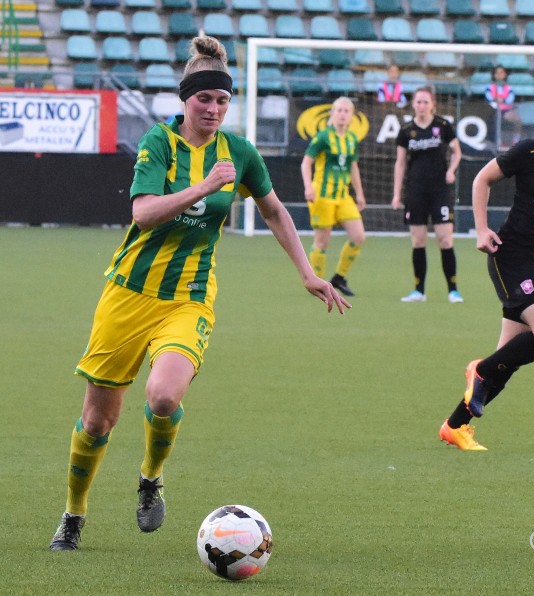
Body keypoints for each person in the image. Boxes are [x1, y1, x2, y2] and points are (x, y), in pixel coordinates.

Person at [48, 36, 350, 552]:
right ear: (185, 99)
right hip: (128, 293)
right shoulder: (158, 143)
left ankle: (150, 478)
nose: (213, 109)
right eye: (203, 99)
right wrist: (205, 187)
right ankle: (74, 514)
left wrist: (307, 272)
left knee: (164, 395)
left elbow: (275, 210)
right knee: (99, 419)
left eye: (222, 100)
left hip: (190, 295)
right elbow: (142, 213)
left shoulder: (240, 152)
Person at [439, 104, 534, 451]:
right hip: (512, 255)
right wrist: (481, 230)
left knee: (507, 359)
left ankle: (455, 426)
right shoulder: (532, 150)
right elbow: (483, 178)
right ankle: (479, 368)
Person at [392, 86, 464, 303]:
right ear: (413, 104)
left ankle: (453, 290)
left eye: (426, 102)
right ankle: (419, 290)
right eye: (418, 102)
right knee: (418, 240)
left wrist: (451, 171)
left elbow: (457, 152)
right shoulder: (406, 131)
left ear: (432, 104)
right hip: (415, 191)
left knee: (444, 239)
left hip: (440, 191)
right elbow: (400, 162)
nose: (422, 105)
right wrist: (397, 193)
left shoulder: (442, 126)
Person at [301, 96, 367, 297]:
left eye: (347, 111)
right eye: (339, 110)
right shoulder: (323, 137)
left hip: (343, 196)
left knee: (358, 237)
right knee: (322, 242)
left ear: (351, 116)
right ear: (332, 113)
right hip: (322, 196)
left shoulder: (352, 139)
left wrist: (360, 193)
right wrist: (308, 187)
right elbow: (306, 163)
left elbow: (353, 167)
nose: (342, 114)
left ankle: (339, 277)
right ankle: (316, 284)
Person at [485, 65, 522, 150]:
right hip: (494, 109)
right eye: (497, 73)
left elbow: (510, 98)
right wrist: (495, 99)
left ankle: (515, 141)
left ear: (505, 74)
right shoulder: (490, 87)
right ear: (494, 75)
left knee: (517, 119)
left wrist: (503, 100)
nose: (499, 75)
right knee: (495, 119)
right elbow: (488, 97)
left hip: (505, 109)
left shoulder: (508, 87)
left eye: (501, 72)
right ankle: (498, 141)